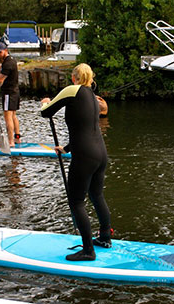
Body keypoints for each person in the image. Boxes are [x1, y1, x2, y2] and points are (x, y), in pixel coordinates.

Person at [40, 63, 112, 261]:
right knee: (97, 195)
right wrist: (66, 148)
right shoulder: (93, 98)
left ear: (74, 77)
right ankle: (105, 237)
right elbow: (85, 129)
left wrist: (44, 102)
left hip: (85, 156)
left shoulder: (72, 90)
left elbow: (46, 112)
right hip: (100, 153)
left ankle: (88, 250)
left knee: (76, 201)